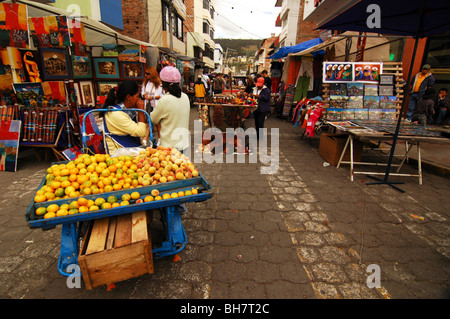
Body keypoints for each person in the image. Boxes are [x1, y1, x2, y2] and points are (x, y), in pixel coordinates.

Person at [150, 66, 190, 152]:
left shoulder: (164, 100)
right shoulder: (185, 97)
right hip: (184, 145)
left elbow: (153, 119)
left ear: (163, 84)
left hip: (169, 148)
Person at [103, 81, 148, 155]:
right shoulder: (115, 114)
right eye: (137, 96)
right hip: (119, 156)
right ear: (128, 97)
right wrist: (141, 111)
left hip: (130, 151)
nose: (140, 100)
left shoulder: (128, 110)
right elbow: (141, 132)